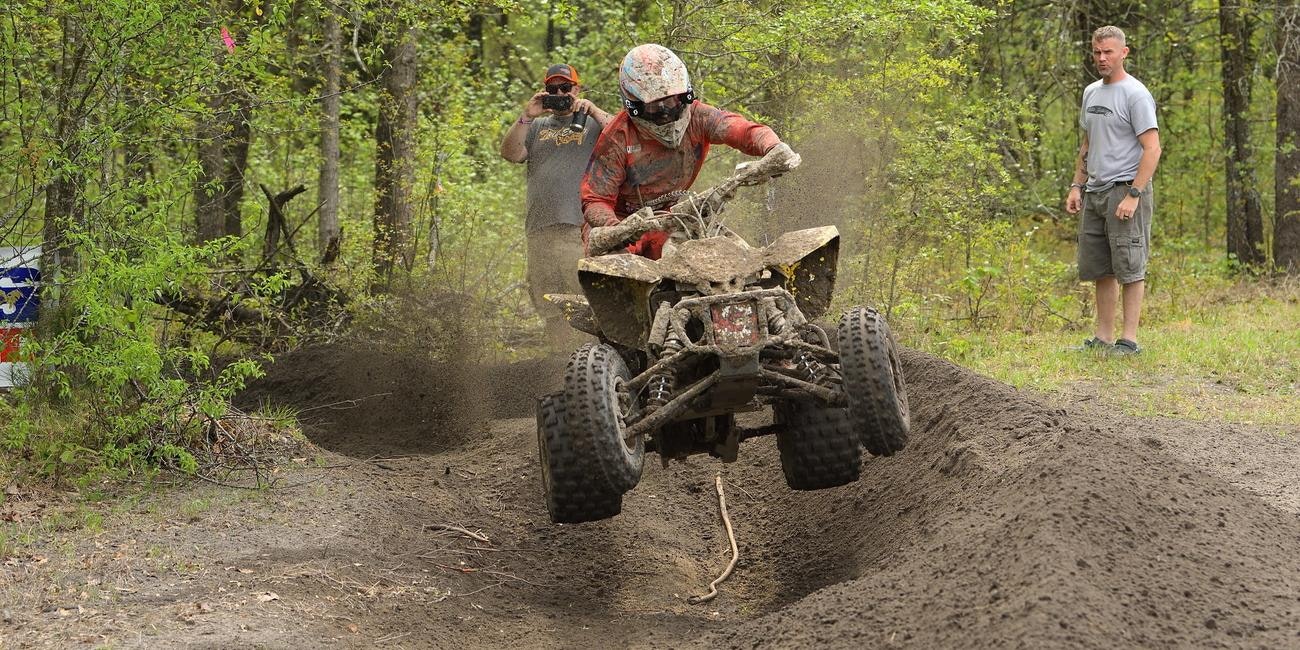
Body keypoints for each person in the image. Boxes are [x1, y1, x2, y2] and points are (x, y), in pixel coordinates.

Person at [581, 43, 794, 260]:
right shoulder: (617, 136)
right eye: (655, 106)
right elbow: (595, 199)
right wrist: (617, 228)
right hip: (624, 220)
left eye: (671, 100)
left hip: (675, 216)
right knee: (611, 260)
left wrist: (773, 148)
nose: (665, 112)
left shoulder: (699, 117)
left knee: (727, 253)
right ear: (635, 105)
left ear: (684, 95)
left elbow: (743, 131)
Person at [1065, 25, 1162, 356]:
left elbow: (1152, 149)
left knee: (1130, 265)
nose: (1102, 58)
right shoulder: (1091, 92)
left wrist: (1134, 195)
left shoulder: (1135, 94)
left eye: (1108, 51)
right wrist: (1077, 185)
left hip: (1125, 190)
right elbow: (1088, 143)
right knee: (1100, 267)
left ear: (1124, 52)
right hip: (1095, 190)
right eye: (1097, 52)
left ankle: (1129, 340)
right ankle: (1103, 337)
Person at [499, 63, 613, 345]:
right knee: (547, 301)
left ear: (578, 89)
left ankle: (590, 356)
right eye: (553, 89)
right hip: (539, 228)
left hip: (576, 226)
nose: (560, 93)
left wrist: (592, 109)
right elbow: (510, 153)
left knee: (583, 297)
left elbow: (622, 135)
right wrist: (526, 115)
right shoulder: (536, 126)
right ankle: (559, 361)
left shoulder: (592, 124)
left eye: (566, 88)